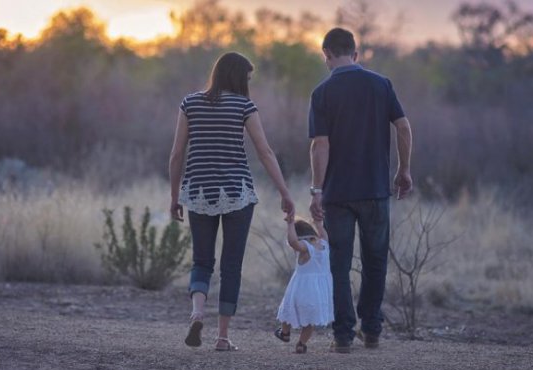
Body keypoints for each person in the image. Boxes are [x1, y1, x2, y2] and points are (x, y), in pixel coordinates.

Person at [169, 52, 295, 351]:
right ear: (238, 77)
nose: (249, 84)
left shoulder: (190, 103)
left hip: (198, 191)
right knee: (231, 265)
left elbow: (176, 154)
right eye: (248, 78)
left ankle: (197, 312)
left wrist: (175, 196)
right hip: (237, 193)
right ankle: (223, 337)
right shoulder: (244, 106)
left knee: (202, 260)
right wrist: (285, 192)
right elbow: (264, 152)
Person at [308, 28, 413, 353]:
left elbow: (319, 145)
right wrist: (403, 169)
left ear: (326, 54)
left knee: (339, 264)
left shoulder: (322, 92)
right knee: (375, 261)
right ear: (355, 53)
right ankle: (372, 331)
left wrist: (316, 189)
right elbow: (404, 126)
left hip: (338, 193)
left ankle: (342, 336)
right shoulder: (381, 85)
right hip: (376, 190)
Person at [274, 217, 334, 353]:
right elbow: (323, 233)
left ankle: (285, 333)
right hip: (319, 293)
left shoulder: (305, 248)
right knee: (310, 321)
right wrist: (318, 223)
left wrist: (290, 224)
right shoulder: (324, 244)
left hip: (301, 289)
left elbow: (292, 242)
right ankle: (301, 343)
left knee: (287, 310)